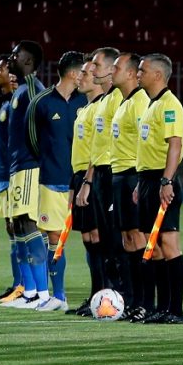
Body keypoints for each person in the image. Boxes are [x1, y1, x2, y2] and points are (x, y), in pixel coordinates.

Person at [26, 51, 88, 311]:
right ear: (73, 73)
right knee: (55, 238)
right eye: (83, 71)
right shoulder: (41, 102)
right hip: (53, 180)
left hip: (84, 182)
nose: (87, 75)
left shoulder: (87, 101)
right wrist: (51, 161)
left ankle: (103, 292)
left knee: (93, 238)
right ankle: (59, 296)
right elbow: (32, 139)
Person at [134, 53, 183, 323]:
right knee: (152, 247)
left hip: (161, 180)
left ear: (157, 75)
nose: (138, 74)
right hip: (147, 179)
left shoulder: (170, 104)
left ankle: (176, 310)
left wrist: (166, 181)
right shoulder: (151, 104)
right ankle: (161, 307)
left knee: (169, 245)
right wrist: (140, 183)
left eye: (142, 70)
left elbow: (174, 144)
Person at [78, 47, 126, 315]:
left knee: (116, 241)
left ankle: (123, 297)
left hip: (113, 173)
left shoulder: (120, 99)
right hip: (99, 175)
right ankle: (105, 296)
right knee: (104, 242)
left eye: (95, 66)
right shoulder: (105, 101)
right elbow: (97, 145)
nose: (91, 70)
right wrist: (88, 179)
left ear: (110, 69)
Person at [108, 52, 153, 321]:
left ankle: (146, 302)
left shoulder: (140, 102)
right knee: (127, 241)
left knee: (138, 240)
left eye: (116, 68)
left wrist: (139, 179)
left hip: (132, 175)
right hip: (119, 175)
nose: (112, 71)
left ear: (131, 73)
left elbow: (144, 142)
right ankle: (133, 300)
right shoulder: (124, 102)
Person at [3, 41, 47, 309]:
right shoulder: (20, 89)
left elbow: (38, 131)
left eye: (16, 54)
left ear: (28, 61)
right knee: (19, 226)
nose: (11, 58)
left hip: (29, 166)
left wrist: (34, 159)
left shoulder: (32, 89)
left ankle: (42, 293)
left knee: (30, 225)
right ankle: (29, 291)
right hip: (18, 167)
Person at [66, 56, 108, 317]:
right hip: (79, 175)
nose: (79, 77)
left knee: (98, 237)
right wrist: (75, 184)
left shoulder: (102, 107)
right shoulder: (85, 109)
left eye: (85, 73)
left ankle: (106, 294)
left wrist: (88, 181)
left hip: (91, 176)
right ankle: (96, 296)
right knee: (88, 238)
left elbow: (99, 148)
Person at [0, 54, 24, 302]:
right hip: (4, 174)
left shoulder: (21, 103)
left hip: (17, 173)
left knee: (24, 228)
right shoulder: (6, 104)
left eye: (1, 68)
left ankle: (26, 284)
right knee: (11, 229)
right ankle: (17, 283)